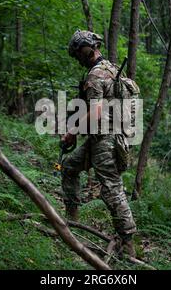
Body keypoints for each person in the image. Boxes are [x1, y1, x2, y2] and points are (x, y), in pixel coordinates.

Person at [60, 29, 136, 256]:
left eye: (78, 55)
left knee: (111, 189)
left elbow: (96, 111)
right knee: (69, 167)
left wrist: (72, 132)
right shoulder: (111, 69)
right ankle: (72, 224)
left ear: (85, 51)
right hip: (103, 138)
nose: (78, 60)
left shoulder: (96, 75)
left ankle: (128, 245)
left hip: (106, 141)